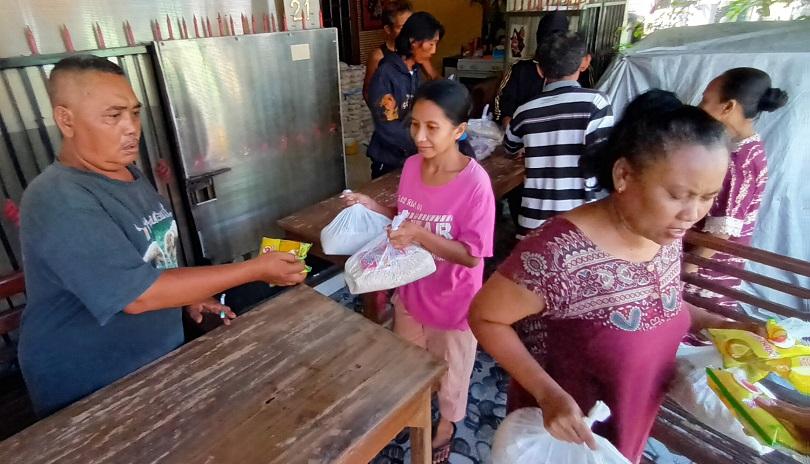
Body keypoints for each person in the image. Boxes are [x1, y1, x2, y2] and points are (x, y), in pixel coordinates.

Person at [470, 90, 762, 463]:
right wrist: (547, 394)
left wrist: (717, 324)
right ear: (624, 174)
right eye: (677, 195)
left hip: (632, 415)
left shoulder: (662, 232)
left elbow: (660, 297)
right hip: (570, 436)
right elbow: (485, 316)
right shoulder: (558, 253)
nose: (693, 213)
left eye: (707, 197)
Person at [18, 55, 307, 417]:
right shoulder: (57, 199)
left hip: (154, 366)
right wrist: (256, 269)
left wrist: (186, 298)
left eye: (135, 113)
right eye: (113, 115)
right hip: (91, 387)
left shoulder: (128, 175)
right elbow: (138, 295)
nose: (131, 128)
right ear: (66, 119)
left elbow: (151, 259)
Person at [345, 79, 495, 464]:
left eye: (433, 127)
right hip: (410, 289)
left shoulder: (475, 184)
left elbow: (472, 257)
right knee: (408, 363)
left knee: (451, 371)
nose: (420, 137)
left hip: (454, 301)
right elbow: (404, 221)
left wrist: (422, 236)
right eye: (415, 125)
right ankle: (411, 410)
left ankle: (447, 424)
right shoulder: (411, 167)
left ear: (459, 130)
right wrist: (371, 206)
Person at [684, 67, 788, 308]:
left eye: (705, 100)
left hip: (707, 271)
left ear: (728, 107)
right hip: (711, 264)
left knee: (695, 333)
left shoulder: (739, 160)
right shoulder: (745, 148)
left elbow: (721, 232)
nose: (700, 106)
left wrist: (685, 272)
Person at [503, 31, 613, 237]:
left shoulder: (525, 110)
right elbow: (602, 159)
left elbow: (509, 147)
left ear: (540, 69)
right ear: (585, 62)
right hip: (581, 219)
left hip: (533, 221)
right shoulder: (596, 103)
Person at [366, 11, 444, 179]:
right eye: (431, 44)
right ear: (413, 42)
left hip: (409, 155)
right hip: (389, 160)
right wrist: (424, 142)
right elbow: (387, 126)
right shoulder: (386, 74)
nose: (434, 50)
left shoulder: (414, 71)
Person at [494, 11, 569, 128]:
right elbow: (504, 103)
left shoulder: (575, 72)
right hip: (519, 134)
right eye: (547, 41)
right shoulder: (519, 69)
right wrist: (507, 122)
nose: (551, 47)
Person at [362, 0, 413, 103]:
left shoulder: (414, 51)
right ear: (388, 29)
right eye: (402, 27)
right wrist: (383, 116)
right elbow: (368, 92)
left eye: (411, 26)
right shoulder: (378, 56)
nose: (408, 31)